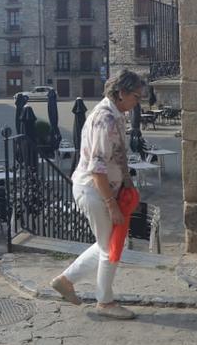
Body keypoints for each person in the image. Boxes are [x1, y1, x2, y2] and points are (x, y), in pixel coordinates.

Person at [50, 69, 146, 319]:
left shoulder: (113, 114)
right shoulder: (105, 119)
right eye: (136, 96)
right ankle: (105, 302)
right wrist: (112, 205)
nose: (138, 102)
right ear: (121, 93)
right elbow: (97, 167)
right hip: (94, 191)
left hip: (97, 190)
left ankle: (66, 280)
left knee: (109, 244)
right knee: (110, 247)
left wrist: (126, 187)